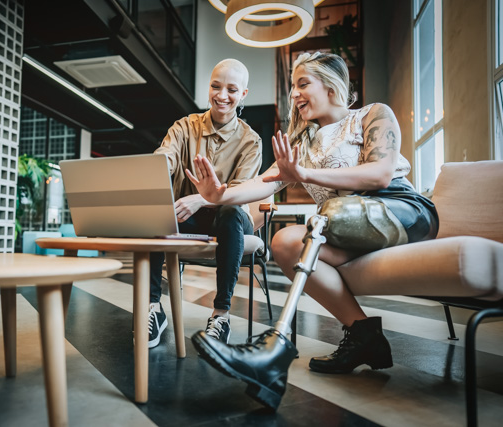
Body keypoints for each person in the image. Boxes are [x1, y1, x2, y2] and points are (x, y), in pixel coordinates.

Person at [185, 52, 439, 409]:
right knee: (286, 242)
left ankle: (272, 354)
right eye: (293, 87)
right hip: (341, 226)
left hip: (404, 212)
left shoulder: (372, 115)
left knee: (324, 217)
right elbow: (263, 182)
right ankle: (364, 334)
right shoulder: (303, 142)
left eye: (303, 84)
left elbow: (380, 174)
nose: (295, 94)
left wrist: (304, 175)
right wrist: (218, 195)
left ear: (332, 85)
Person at [147, 58, 263, 348]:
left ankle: (220, 315)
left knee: (230, 211)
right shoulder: (185, 126)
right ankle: (152, 308)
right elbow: (166, 156)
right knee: (155, 212)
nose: (222, 95)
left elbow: (240, 191)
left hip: (232, 217)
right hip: (188, 216)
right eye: (215, 86)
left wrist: (200, 198)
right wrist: (157, 165)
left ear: (243, 95)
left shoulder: (251, 141)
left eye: (232, 89)